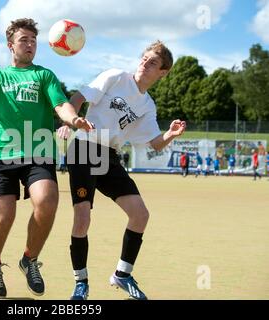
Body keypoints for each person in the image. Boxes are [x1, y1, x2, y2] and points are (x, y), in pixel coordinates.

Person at [0, 19, 93, 298]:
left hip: (38, 152)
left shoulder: (44, 75)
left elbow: (60, 104)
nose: (30, 44)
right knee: (3, 216)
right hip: (1, 153)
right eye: (24, 39)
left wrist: (73, 118)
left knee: (47, 201)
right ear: (10, 45)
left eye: (33, 39)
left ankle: (29, 260)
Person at [57, 40, 186, 300]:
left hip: (109, 157)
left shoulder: (148, 106)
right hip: (84, 148)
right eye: (144, 58)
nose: (145, 63)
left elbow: (155, 143)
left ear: (162, 72)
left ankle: (122, 274)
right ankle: (80, 282)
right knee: (83, 217)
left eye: (153, 63)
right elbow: (79, 97)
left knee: (140, 214)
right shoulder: (116, 76)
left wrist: (171, 134)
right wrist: (71, 121)